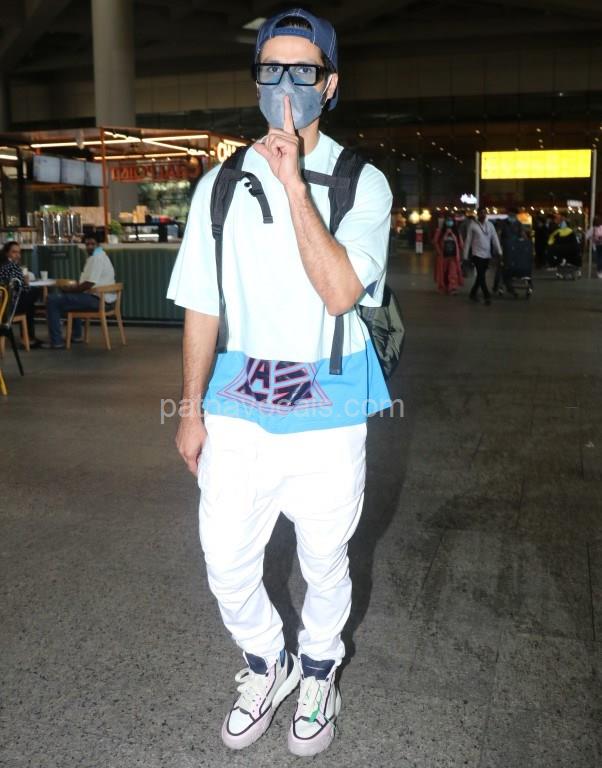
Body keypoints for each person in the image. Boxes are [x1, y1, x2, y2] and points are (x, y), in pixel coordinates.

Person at [167, 8, 392, 757]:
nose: (285, 83)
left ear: (330, 84)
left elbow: (339, 291)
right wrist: (190, 410)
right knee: (225, 559)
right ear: (255, 78)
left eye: (302, 70)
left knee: (325, 561)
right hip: (239, 403)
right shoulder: (219, 185)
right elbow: (203, 304)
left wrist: (295, 184)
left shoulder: (362, 184)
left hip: (330, 404)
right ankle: (270, 661)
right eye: (271, 69)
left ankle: (320, 670)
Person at [43, 234, 116, 349]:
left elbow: (89, 283)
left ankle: (56, 341)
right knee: (71, 297)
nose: (89, 246)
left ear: (98, 245)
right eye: (87, 244)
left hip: (98, 300)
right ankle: (76, 335)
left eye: (92, 244)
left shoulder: (96, 258)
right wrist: (72, 290)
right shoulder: (100, 256)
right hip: (103, 299)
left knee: (52, 299)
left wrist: (71, 290)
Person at [0, 240, 43, 348]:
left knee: (29, 304)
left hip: (2, 304)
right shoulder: (13, 267)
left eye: (19, 252)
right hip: (8, 307)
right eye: (14, 252)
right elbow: (22, 288)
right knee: (33, 294)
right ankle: (28, 338)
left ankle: (28, 337)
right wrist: (26, 281)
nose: (18, 255)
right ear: (7, 253)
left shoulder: (3, 266)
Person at [462, 206, 502, 305]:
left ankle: (473, 293)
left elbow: (495, 239)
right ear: (478, 214)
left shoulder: (490, 225)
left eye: (484, 213)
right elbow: (468, 241)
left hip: (487, 255)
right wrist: (465, 256)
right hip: (476, 255)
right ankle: (487, 296)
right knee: (481, 275)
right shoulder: (472, 225)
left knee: (481, 276)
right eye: (481, 213)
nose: (483, 215)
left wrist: (499, 251)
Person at [495, 207, 526, 296]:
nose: (512, 216)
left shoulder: (518, 224)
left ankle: (506, 286)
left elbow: (522, 234)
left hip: (515, 250)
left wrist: (525, 243)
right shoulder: (502, 223)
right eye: (511, 214)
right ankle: (499, 285)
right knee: (502, 268)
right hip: (504, 249)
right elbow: (498, 234)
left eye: (514, 215)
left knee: (509, 269)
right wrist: (498, 247)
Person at [433, 216, 464, 294]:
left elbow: (461, 243)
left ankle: (452, 287)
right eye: (448, 220)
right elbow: (435, 242)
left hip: (453, 256)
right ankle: (443, 287)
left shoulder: (456, 232)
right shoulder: (440, 231)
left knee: (453, 272)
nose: (449, 222)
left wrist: (460, 252)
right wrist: (439, 251)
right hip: (443, 256)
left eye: (451, 220)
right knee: (443, 272)